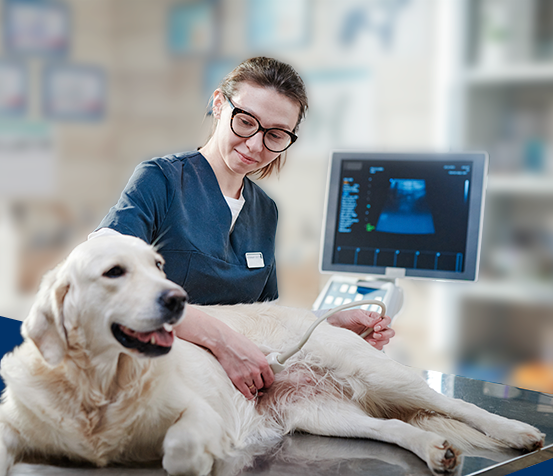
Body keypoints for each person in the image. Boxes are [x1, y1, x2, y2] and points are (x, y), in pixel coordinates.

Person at [90, 57, 394, 400]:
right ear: (219, 105)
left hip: (232, 394)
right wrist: (222, 341)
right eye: (246, 122)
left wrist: (326, 324)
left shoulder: (265, 211)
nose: (255, 145)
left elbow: (264, 319)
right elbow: (102, 274)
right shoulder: (160, 180)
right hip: (151, 382)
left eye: (275, 135)